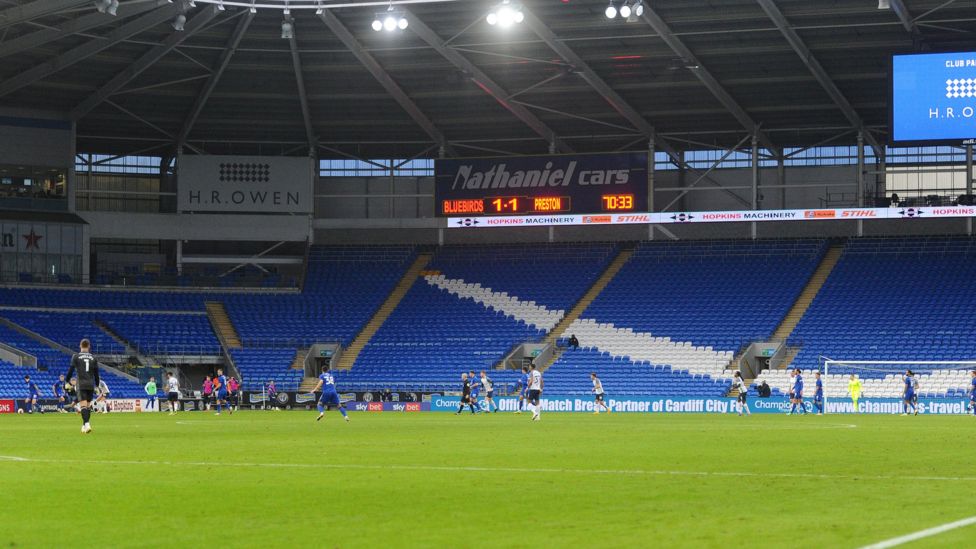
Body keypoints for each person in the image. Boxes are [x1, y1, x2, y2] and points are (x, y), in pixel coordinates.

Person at [64, 339, 98, 433]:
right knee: (87, 406)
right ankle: (84, 425)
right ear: (89, 346)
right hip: (90, 384)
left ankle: (87, 424)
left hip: (81, 384)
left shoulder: (76, 356)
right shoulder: (93, 357)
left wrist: (67, 381)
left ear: (80, 346)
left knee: (83, 406)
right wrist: (97, 385)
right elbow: (96, 373)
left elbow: (71, 370)